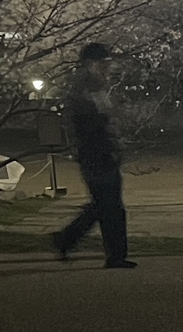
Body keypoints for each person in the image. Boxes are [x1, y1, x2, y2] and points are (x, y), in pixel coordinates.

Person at [51, 43, 135, 268]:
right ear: (90, 64)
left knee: (104, 204)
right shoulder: (86, 89)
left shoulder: (92, 87)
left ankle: (67, 239)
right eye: (103, 64)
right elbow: (92, 121)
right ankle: (113, 254)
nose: (108, 68)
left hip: (101, 151)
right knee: (110, 206)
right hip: (96, 152)